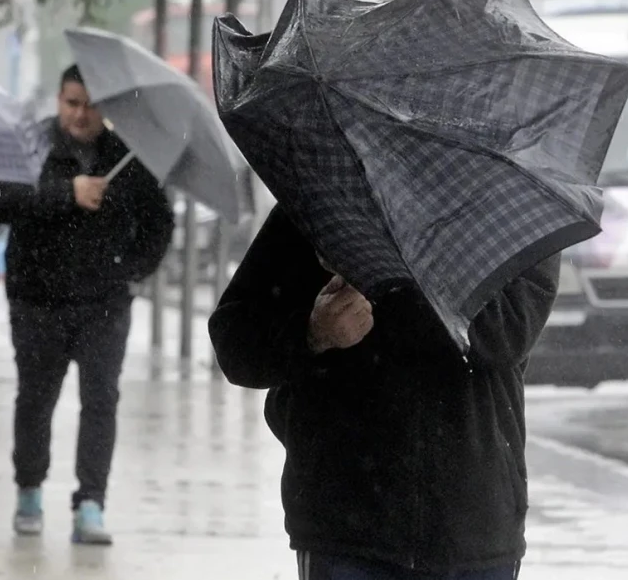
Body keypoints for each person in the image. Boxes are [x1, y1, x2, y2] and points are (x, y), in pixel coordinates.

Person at [209, 206, 559, 579]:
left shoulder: (513, 210)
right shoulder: (324, 205)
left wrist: (383, 283)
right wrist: (312, 332)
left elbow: (504, 331)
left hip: (474, 520)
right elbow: (236, 339)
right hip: (345, 521)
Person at [0, 64, 173, 545]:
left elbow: (159, 222)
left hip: (105, 302)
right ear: (58, 101)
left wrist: (134, 270)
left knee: (101, 401)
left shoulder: (127, 155)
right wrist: (66, 194)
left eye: (90, 104)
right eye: (71, 102)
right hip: (37, 300)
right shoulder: (33, 147)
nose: (80, 113)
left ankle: (91, 501)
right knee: (35, 400)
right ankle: (29, 487)